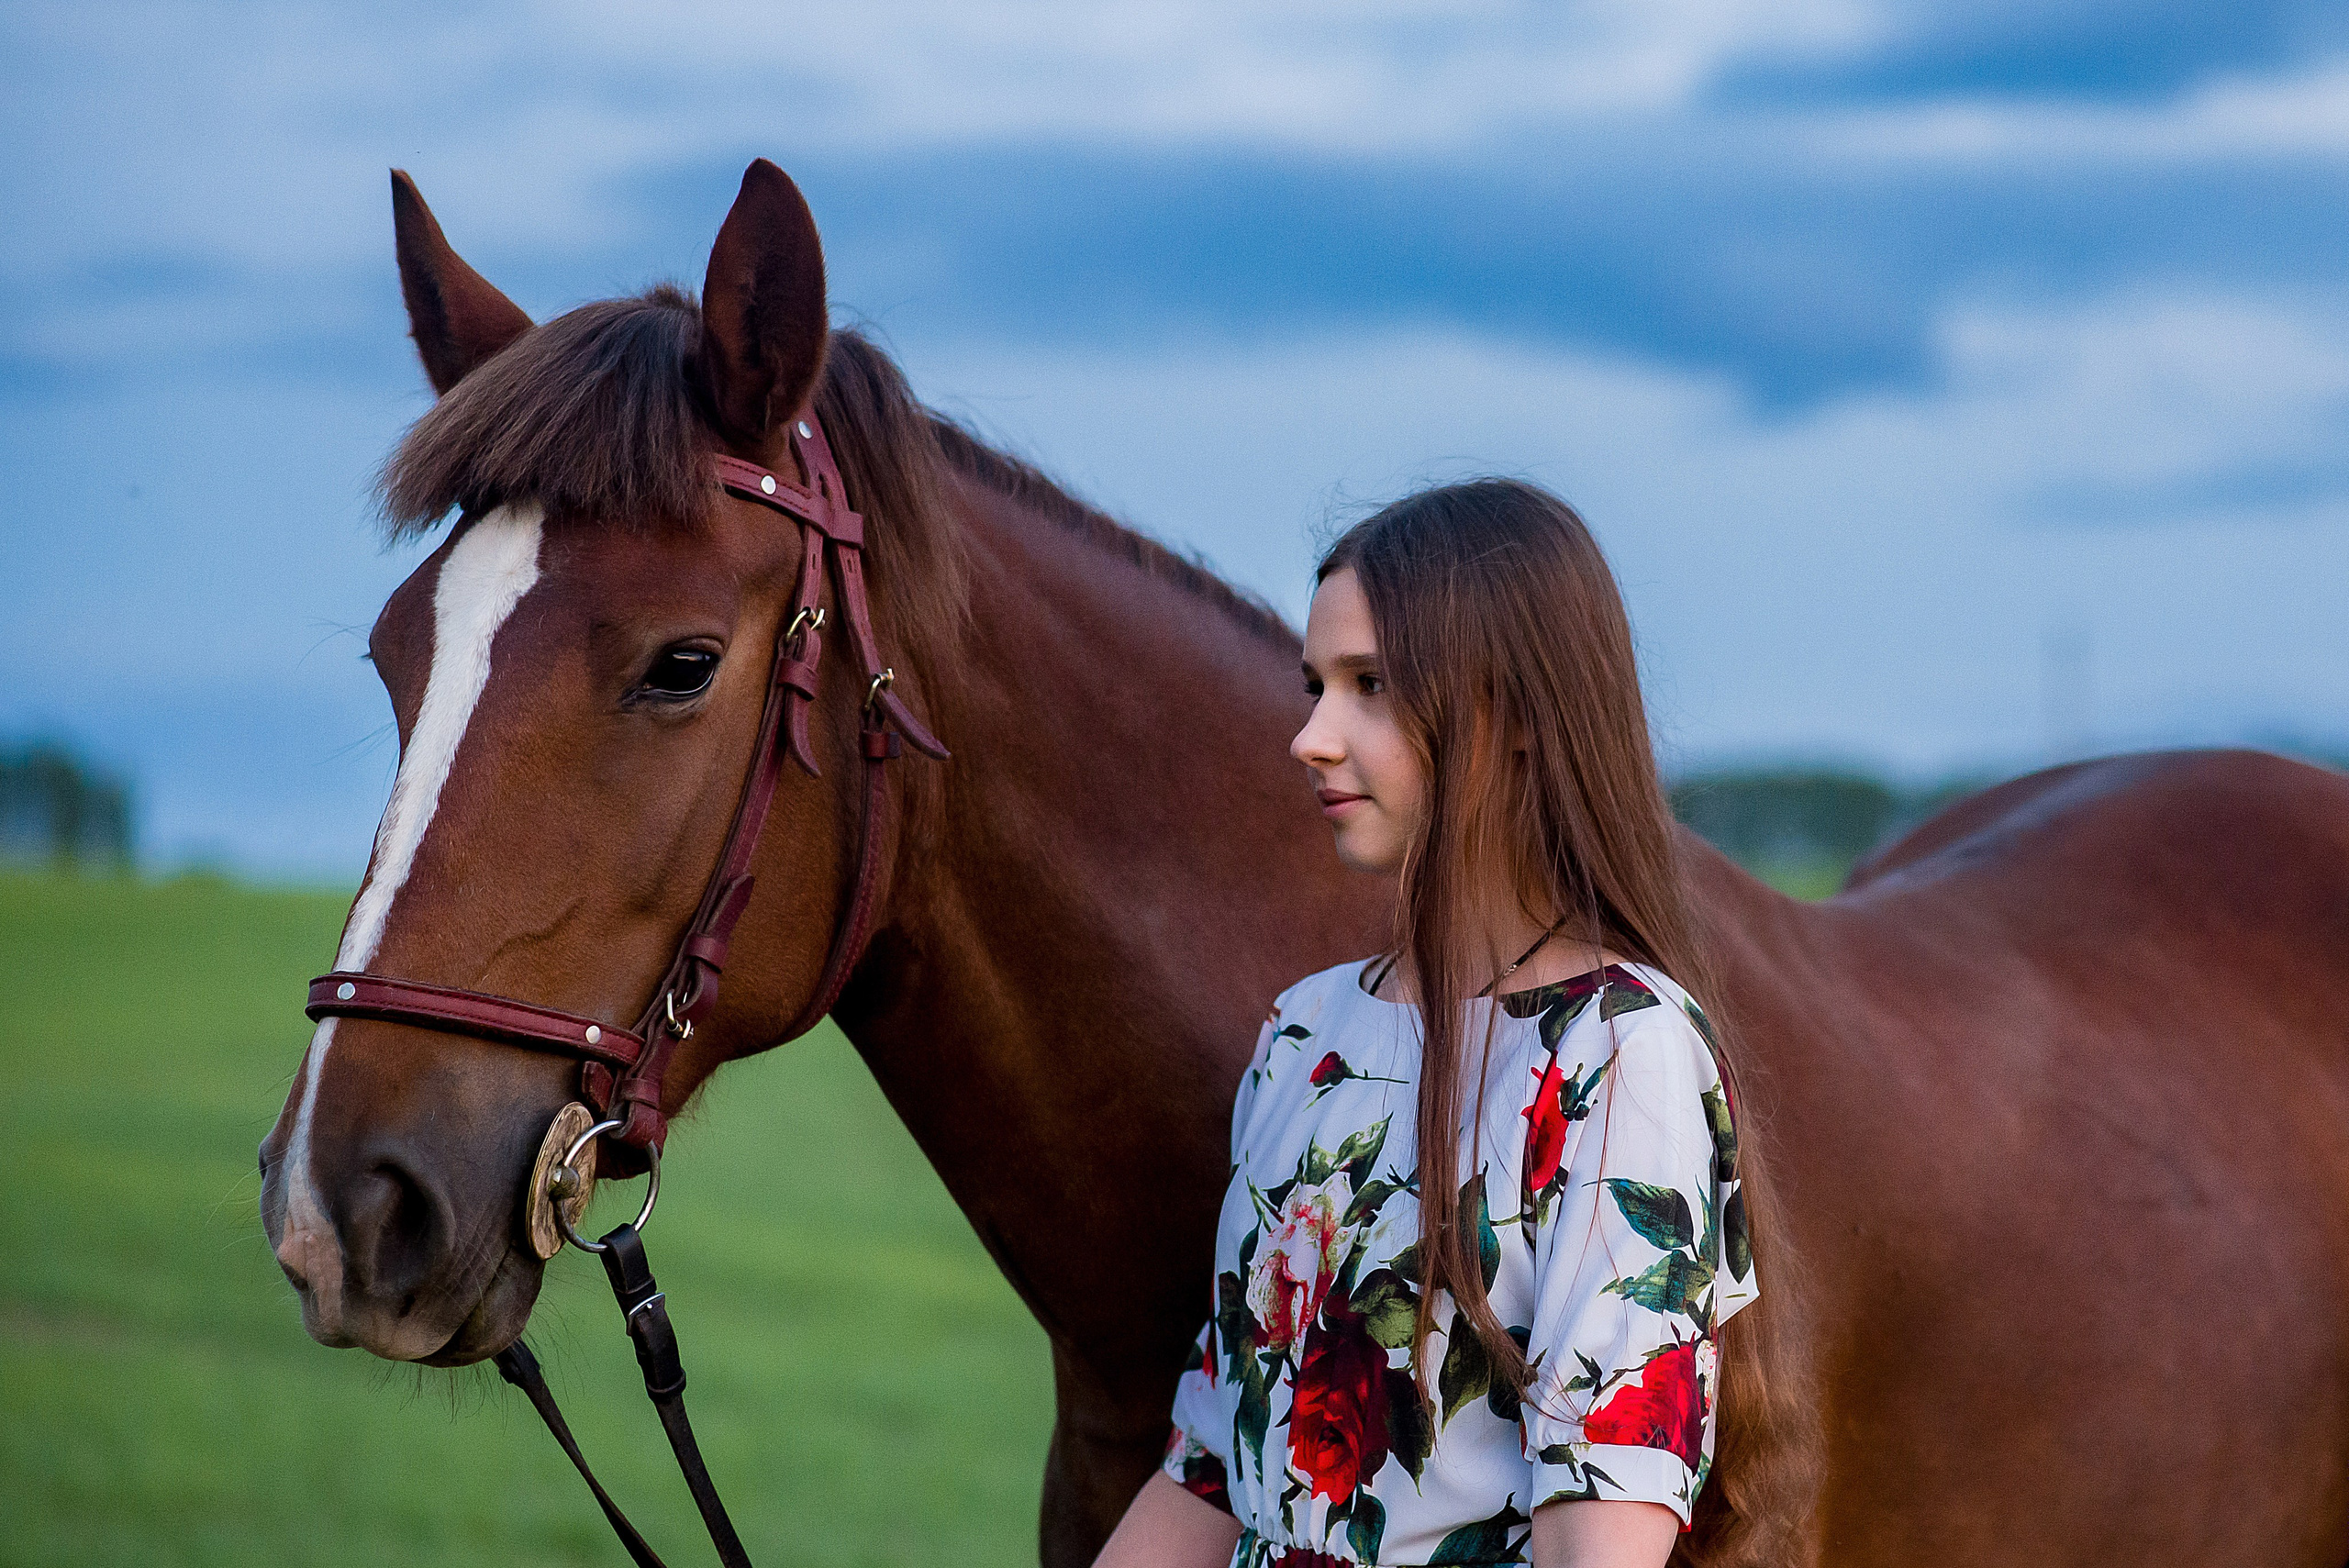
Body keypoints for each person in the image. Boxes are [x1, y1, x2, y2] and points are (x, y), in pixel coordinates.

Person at [1096, 480, 1762, 1568]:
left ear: (1514, 713)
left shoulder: (1617, 1052)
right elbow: (1215, 1455)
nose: (1309, 735)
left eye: (1370, 686)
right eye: (1314, 686)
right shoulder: (1302, 1036)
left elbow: (1601, 1523)